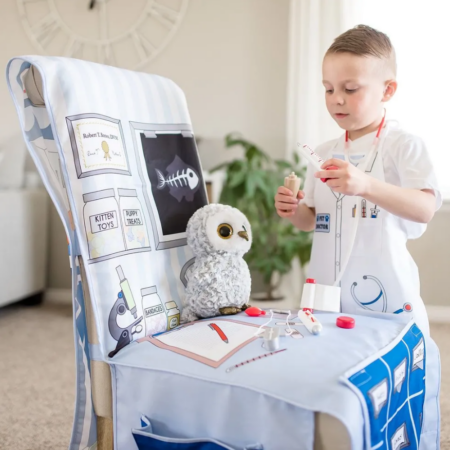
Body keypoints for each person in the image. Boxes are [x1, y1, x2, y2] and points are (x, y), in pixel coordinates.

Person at [274, 25, 441, 335]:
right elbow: (312, 220)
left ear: (387, 90)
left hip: (385, 294)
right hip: (327, 294)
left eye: (350, 89)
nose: (336, 99)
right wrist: (292, 210)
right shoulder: (323, 153)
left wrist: (365, 185)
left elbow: (425, 208)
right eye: (328, 88)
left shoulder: (404, 146)